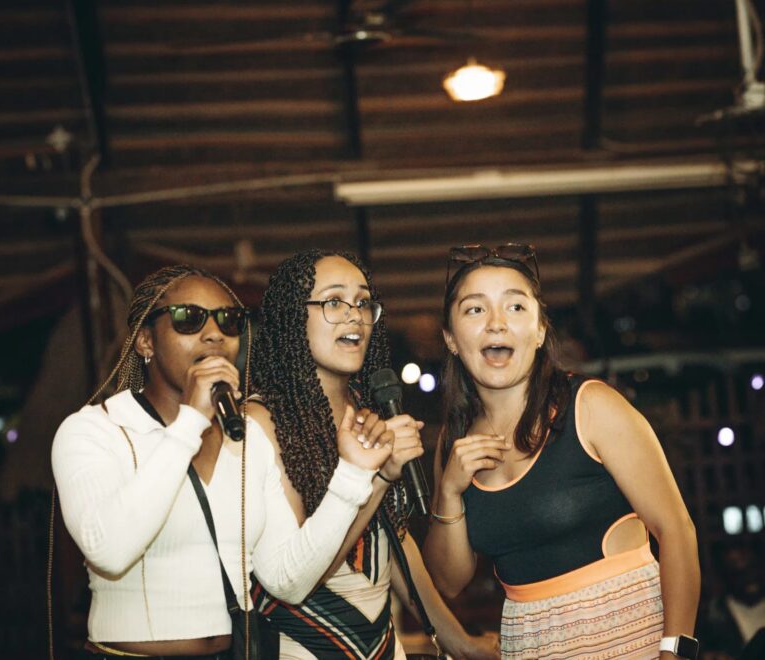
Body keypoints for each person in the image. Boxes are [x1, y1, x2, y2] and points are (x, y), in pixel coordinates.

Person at [52, 264, 393, 659]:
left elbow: (288, 580)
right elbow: (108, 550)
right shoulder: (96, 431)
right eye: (188, 318)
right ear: (145, 341)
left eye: (229, 321)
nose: (213, 333)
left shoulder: (246, 437)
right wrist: (190, 422)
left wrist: (353, 475)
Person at [422, 244, 701, 659]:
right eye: (475, 310)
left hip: (629, 638)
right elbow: (448, 582)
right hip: (528, 644)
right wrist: (448, 492)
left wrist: (675, 652)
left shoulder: (591, 405)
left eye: (515, 307)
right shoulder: (454, 439)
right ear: (450, 339)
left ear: (538, 331)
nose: (496, 323)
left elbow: (677, 531)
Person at [248, 249, 500, 659]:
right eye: (333, 301)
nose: (354, 315)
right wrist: (379, 479)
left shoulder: (371, 409)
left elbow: (395, 544)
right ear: (292, 319)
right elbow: (293, 581)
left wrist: (460, 643)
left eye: (364, 303)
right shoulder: (260, 425)